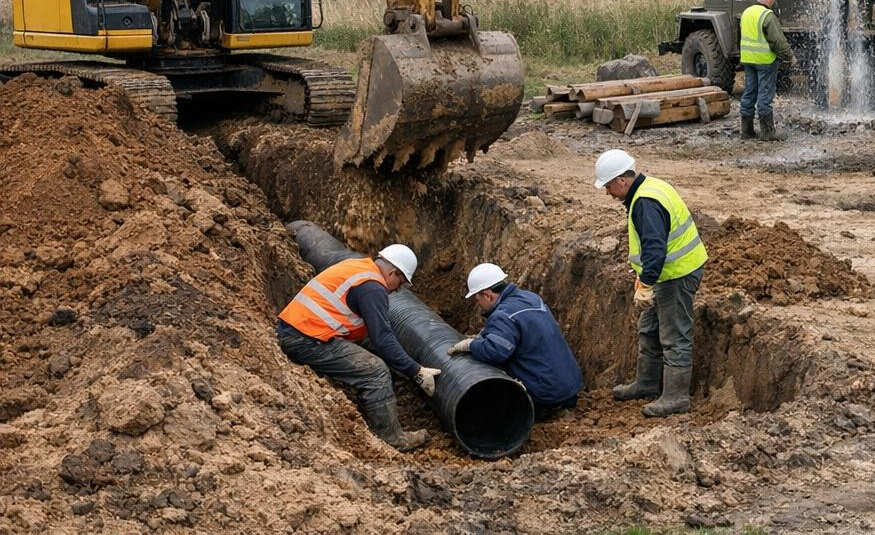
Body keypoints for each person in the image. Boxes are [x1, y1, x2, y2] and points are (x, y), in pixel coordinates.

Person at [276, 243, 440, 452]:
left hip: (300, 329)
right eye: (401, 282)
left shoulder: (360, 267)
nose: (398, 289)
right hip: (306, 339)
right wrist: (416, 371)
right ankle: (392, 437)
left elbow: (373, 335)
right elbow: (381, 337)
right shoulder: (372, 287)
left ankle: (383, 398)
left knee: (374, 349)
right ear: (392, 273)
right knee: (375, 370)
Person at [594, 149, 707, 417]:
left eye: (609, 186)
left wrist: (645, 282)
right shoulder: (650, 187)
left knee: (674, 335)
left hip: (677, 274)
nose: (608, 192)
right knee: (649, 327)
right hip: (665, 273)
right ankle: (646, 383)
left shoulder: (645, 202)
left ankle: (676, 397)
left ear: (623, 180)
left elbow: (655, 249)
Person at [450, 263, 583, 421]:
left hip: (547, 394)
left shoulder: (503, 315)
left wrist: (470, 345)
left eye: (477, 299)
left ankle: (551, 411)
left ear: (487, 295)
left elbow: (494, 353)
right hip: (570, 386)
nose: (478, 305)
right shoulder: (530, 297)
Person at [738, 0, 794, 141]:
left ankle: (747, 131)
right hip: (764, 61)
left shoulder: (747, 12)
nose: (774, 2)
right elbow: (778, 40)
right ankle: (768, 132)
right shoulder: (767, 16)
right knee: (765, 95)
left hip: (748, 59)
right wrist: (789, 56)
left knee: (749, 93)